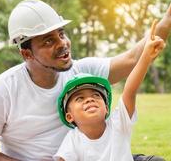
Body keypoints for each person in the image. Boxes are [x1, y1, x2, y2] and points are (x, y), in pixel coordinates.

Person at [0, 0, 171, 161]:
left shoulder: (82, 72)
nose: (62, 43)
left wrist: (165, 23)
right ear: (27, 54)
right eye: (48, 41)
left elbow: (133, 59)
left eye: (62, 34)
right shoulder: (1, 91)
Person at [54, 20, 165, 161]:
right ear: (70, 116)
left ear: (106, 108)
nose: (90, 99)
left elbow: (130, 90)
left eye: (96, 95)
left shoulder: (118, 123)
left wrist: (146, 56)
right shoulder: (73, 140)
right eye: (79, 98)